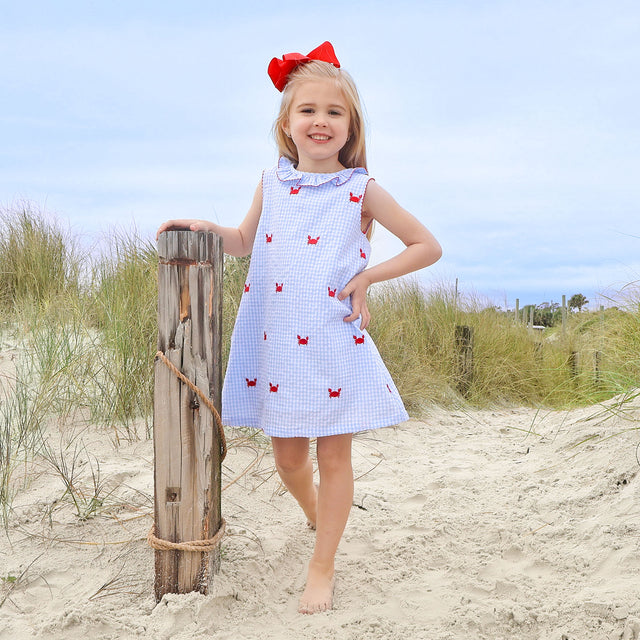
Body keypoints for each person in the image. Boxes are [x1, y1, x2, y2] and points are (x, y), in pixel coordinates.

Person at [157, 41, 442, 615]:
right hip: (277, 344)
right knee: (288, 460)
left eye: (334, 112)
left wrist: (367, 277)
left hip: (333, 339)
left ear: (350, 126)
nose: (320, 121)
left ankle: (322, 564)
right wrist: (207, 227)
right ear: (286, 124)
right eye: (307, 110)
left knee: (333, 458)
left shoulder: (360, 188)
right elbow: (243, 241)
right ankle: (318, 515)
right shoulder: (272, 183)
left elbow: (426, 246)